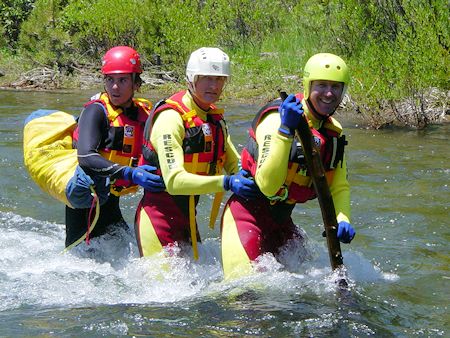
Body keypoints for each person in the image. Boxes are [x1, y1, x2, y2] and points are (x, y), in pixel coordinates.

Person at [221, 53, 356, 279]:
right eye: (321, 85)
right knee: (249, 297)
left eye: (336, 86)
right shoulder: (276, 119)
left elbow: (339, 185)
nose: (329, 93)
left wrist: (343, 218)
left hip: (282, 222)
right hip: (246, 217)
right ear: (307, 84)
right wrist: (285, 131)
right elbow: (268, 186)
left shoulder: (333, 134)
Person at [134, 47, 259, 260]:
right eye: (207, 79)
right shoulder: (171, 118)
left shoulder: (214, 118)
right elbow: (174, 181)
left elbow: (234, 164)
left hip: (188, 221)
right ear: (192, 79)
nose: (214, 86)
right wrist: (227, 183)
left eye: (220, 79)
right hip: (158, 221)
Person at [64, 46, 165, 249]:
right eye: (110, 80)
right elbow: (86, 156)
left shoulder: (143, 115)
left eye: (122, 80)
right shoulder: (96, 111)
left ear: (136, 83)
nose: (115, 87)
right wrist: (131, 173)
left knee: (125, 253)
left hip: (111, 199)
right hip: (87, 199)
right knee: (80, 260)